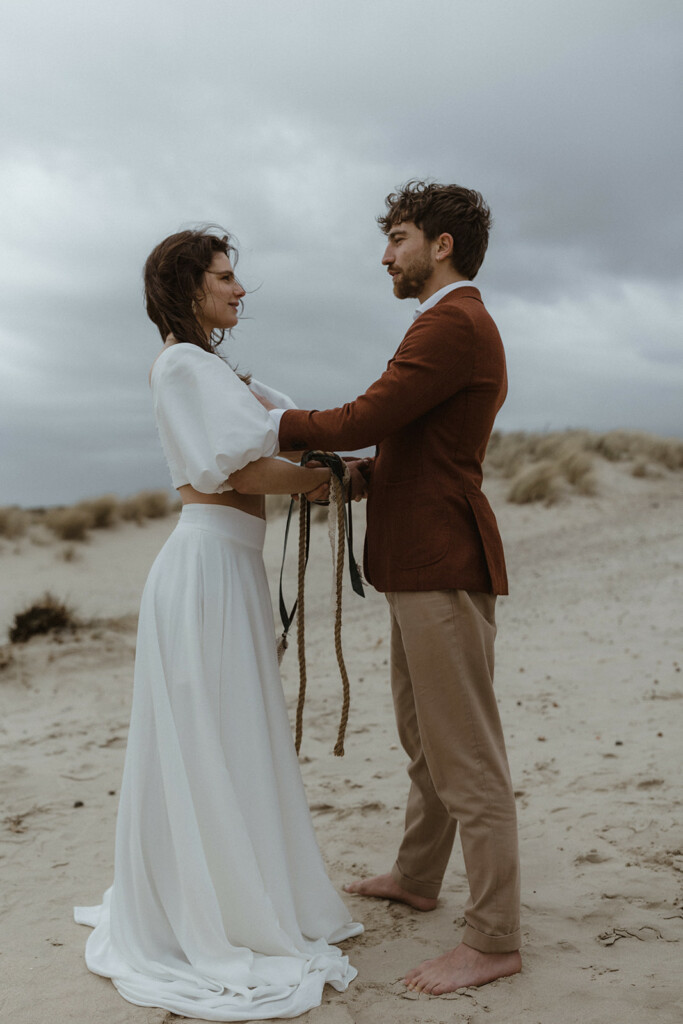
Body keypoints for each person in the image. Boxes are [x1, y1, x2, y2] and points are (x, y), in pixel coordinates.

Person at [74, 227, 361, 1021]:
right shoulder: (181, 365)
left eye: (237, 277)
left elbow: (275, 437)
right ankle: (213, 910)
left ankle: (243, 888)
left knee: (232, 732)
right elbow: (236, 467)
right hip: (203, 570)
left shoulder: (215, 368)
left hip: (233, 568)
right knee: (208, 732)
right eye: (225, 277)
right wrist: (330, 483)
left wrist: (330, 474)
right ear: (186, 285)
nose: (240, 290)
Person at [260, 181, 521, 995]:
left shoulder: (452, 323)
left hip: (442, 561)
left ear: (440, 245)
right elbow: (413, 443)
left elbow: (364, 416)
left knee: (466, 757)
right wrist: (364, 478)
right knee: (425, 742)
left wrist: (264, 416)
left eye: (398, 239)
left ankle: (493, 938)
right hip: (418, 561)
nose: (385, 256)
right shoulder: (444, 326)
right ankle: (416, 875)